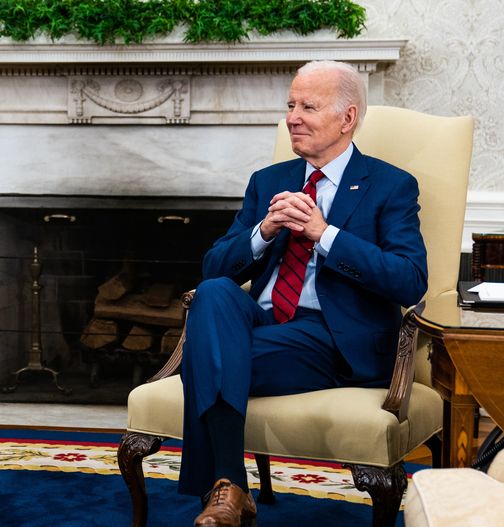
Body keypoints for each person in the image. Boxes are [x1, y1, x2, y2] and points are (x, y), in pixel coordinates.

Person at [180, 61, 428, 526]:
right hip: (264, 324)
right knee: (214, 292)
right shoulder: (268, 181)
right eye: (290, 105)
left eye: (308, 107)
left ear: (347, 118)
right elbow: (214, 266)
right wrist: (264, 231)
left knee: (204, 357)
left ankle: (224, 490)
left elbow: (410, 279)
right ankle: (232, 485)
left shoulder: (391, 185)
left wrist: (324, 233)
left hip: (333, 338)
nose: (292, 117)